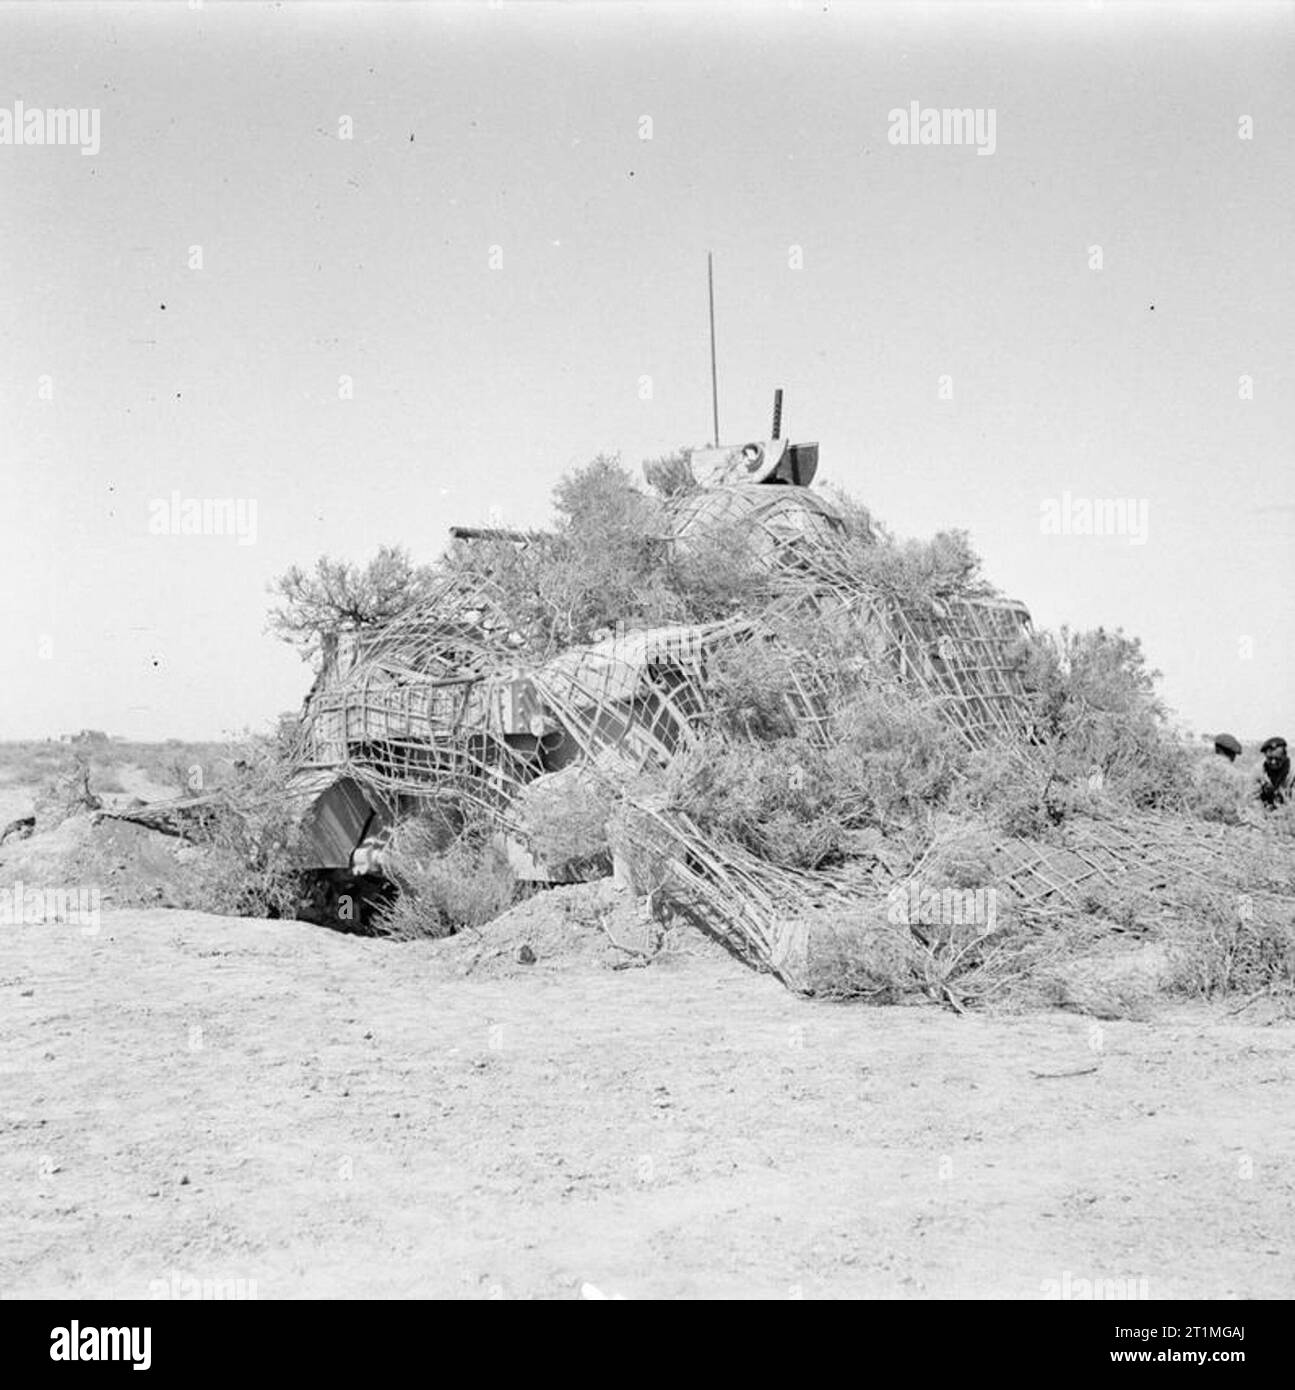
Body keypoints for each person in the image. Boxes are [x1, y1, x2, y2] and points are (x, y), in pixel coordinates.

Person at [1258, 736, 1291, 808]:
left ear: (1285, 756)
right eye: (1269, 758)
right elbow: (1252, 797)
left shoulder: (1292, 772)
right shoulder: (1259, 770)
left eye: (1277, 759)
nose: (1273, 762)